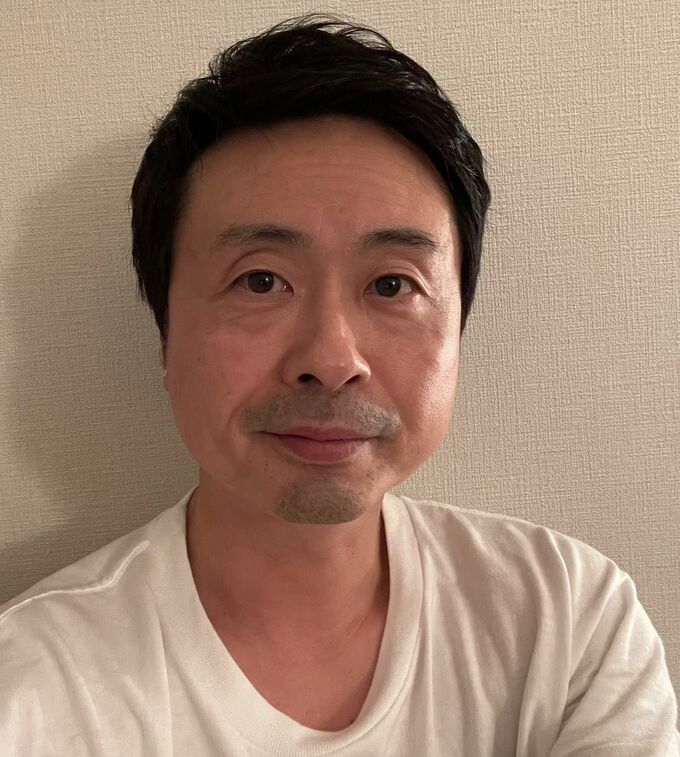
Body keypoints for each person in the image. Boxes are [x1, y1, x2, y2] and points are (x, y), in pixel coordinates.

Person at [0, 13, 678, 756]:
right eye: (261, 280)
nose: (330, 357)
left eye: (392, 284)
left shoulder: (568, 626)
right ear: (166, 332)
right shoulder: (33, 687)